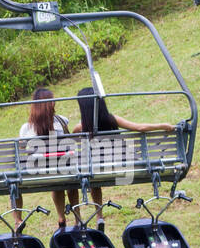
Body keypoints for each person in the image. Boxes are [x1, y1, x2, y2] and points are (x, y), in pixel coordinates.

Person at [71, 86, 175, 232]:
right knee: (95, 169)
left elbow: (73, 143)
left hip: (95, 170)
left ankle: (99, 216)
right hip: (120, 167)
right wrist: (162, 125)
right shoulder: (112, 119)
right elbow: (140, 127)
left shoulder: (80, 127)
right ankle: (99, 217)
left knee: (92, 174)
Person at [13, 87, 74, 231]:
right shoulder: (62, 121)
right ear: (51, 104)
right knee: (61, 179)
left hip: (35, 173)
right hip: (60, 170)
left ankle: (18, 220)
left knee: (13, 184)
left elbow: (22, 147)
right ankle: (65, 217)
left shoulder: (26, 128)